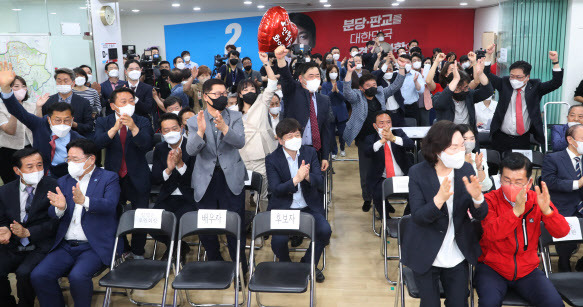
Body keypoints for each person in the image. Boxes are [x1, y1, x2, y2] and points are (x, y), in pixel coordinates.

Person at [403, 120, 488, 307]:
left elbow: (480, 215)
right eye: (453, 147)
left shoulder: (465, 169)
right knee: (430, 303)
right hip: (426, 250)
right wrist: (438, 199)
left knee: (459, 303)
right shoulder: (417, 172)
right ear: (437, 150)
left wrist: (477, 198)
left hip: (457, 250)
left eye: (462, 146)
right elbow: (418, 216)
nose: (460, 152)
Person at [31, 139, 120, 307]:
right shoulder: (63, 181)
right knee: (39, 275)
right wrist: (60, 208)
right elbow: (52, 212)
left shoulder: (108, 178)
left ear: (91, 159)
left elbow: (110, 205)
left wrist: (84, 200)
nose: (71, 163)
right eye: (68, 159)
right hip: (66, 245)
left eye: (75, 159)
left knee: (77, 277)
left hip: (93, 246)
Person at [476, 152, 569, 307]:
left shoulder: (536, 199)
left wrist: (547, 212)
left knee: (554, 303)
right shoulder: (490, 200)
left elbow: (562, 232)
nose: (512, 186)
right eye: (507, 180)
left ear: (529, 182)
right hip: (492, 268)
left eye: (518, 181)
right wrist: (516, 212)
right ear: (500, 178)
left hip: (527, 270)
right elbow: (491, 234)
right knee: (488, 303)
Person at [185, 78, 248, 274]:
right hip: (206, 179)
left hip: (231, 178)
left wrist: (224, 128)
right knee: (207, 225)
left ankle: (240, 267)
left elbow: (240, 143)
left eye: (224, 93)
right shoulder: (194, 121)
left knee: (234, 225)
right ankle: (215, 262)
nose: (222, 97)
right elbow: (191, 151)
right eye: (217, 94)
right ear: (205, 96)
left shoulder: (235, 116)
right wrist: (201, 132)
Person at [265, 118, 331, 282]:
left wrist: (307, 176)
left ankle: (308, 264)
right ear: (280, 140)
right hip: (284, 208)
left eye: (297, 134)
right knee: (278, 242)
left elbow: (320, 181)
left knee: (325, 231)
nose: (295, 139)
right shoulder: (272, 159)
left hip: (309, 206)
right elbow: (275, 189)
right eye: (289, 136)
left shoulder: (309, 152)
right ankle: (287, 265)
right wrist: (295, 180)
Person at [93, 87, 153, 259]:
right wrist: (114, 129)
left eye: (131, 101)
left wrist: (133, 127)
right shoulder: (104, 122)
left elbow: (147, 144)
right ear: (113, 106)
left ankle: (138, 250)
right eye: (123, 101)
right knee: (113, 214)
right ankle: (122, 248)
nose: (129, 104)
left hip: (138, 175)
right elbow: (97, 144)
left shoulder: (142, 121)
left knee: (140, 214)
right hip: (113, 176)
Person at [0, 62, 84, 178]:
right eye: (57, 120)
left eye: (66, 120)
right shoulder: (40, 125)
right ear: (49, 119)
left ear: (72, 120)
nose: (62, 124)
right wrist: (5, 88)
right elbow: (18, 112)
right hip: (45, 174)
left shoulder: (79, 139)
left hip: (68, 175)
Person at [343, 59, 406, 212]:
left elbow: (396, 85)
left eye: (374, 85)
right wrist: (349, 72)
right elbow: (346, 92)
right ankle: (367, 198)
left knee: (381, 169)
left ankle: (382, 200)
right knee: (366, 170)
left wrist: (402, 68)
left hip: (382, 137)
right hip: (364, 138)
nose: (372, 88)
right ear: (361, 88)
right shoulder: (357, 96)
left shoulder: (380, 93)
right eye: (368, 86)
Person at [0, 148, 58, 307]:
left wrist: (28, 232)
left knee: (23, 273)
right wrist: (4, 228)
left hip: (40, 244)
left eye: (40, 165)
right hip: (12, 243)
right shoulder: (5, 191)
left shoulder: (54, 186)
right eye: (30, 167)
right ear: (17, 170)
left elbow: (56, 222)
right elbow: (2, 218)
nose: (37, 170)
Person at [484, 44, 564, 152]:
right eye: (512, 76)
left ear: (527, 77)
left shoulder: (535, 87)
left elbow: (556, 83)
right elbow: (487, 74)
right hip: (500, 136)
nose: (514, 79)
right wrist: (488, 55)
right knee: (497, 165)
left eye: (519, 77)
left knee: (520, 167)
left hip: (522, 138)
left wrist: (555, 62)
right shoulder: (504, 83)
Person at [275, 46, 331, 171]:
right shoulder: (293, 91)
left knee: (314, 185)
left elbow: (326, 131)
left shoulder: (324, 100)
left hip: (315, 151)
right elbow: (286, 77)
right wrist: (281, 59)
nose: (315, 79)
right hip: (293, 149)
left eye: (317, 76)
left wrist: (325, 156)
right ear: (301, 78)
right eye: (311, 76)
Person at [237, 52, 279, 213]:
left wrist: (266, 63)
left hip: (262, 155)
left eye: (252, 88)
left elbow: (273, 82)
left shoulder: (262, 101)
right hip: (242, 157)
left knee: (262, 193)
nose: (249, 92)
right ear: (240, 94)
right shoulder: (234, 111)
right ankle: (244, 223)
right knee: (243, 193)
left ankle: (263, 224)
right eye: (245, 90)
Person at [151, 113, 196, 259]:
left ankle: (173, 253)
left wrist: (181, 165)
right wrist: (169, 169)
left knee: (175, 222)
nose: (171, 132)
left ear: (182, 128)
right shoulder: (159, 148)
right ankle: (178, 246)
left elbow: (197, 179)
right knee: (152, 222)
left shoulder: (193, 146)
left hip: (189, 197)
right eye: (166, 130)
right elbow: (156, 178)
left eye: (174, 128)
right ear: (161, 132)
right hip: (167, 196)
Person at [542, 124, 583, 272]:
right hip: (563, 205)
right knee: (566, 226)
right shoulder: (553, 158)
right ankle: (563, 261)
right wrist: (577, 183)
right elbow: (549, 181)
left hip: (581, 204)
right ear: (570, 140)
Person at [364, 111, 414, 218]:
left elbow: (410, 144)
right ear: (375, 126)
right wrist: (381, 142)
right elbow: (367, 152)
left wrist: (393, 139)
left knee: (417, 193)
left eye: (388, 122)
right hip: (382, 178)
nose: (385, 126)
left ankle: (405, 220)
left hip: (404, 176)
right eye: (381, 123)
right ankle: (386, 220)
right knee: (377, 194)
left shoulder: (398, 133)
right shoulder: (370, 138)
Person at [434, 59, 493, 148]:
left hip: (468, 139)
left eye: (466, 87)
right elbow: (439, 104)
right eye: (460, 88)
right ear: (451, 86)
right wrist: (455, 79)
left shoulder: (469, 95)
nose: (465, 90)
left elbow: (488, 91)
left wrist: (480, 74)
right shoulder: (440, 96)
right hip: (448, 140)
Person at [0, 76, 35, 183]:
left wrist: (38, 108)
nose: (21, 89)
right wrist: (14, 110)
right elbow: (10, 130)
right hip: (8, 151)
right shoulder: (1, 107)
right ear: (7, 89)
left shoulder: (32, 106)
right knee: (11, 183)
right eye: (16, 86)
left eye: (23, 86)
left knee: (31, 181)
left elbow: (38, 127)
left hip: (29, 149)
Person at [40, 68, 94, 137]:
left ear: (73, 83)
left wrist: (74, 124)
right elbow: (43, 123)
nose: (62, 84)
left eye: (66, 81)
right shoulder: (48, 101)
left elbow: (89, 126)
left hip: (76, 140)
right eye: (59, 81)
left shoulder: (83, 102)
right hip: (53, 140)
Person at [321, 65, 349, 158]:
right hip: (330, 112)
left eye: (335, 71)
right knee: (331, 134)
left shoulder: (341, 83)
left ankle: (342, 148)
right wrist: (332, 91)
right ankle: (334, 151)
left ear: (338, 73)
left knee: (342, 133)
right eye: (331, 72)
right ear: (328, 73)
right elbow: (324, 98)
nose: (333, 73)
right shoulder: (325, 85)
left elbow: (345, 98)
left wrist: (337, 91)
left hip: (341, 112)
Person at [459, 124, 493, 192]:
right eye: (465, 139)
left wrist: (479, 168)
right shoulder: (451, 159)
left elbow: (486, 187)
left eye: (472, 139)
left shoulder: (478, 158)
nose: (469, 142)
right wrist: (466, 166)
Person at [397, 54, 425, 124]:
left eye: (408, 62)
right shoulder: (395, 74)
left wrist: (415, 82)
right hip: (398, 107)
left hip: (412, 107)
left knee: (414, 129)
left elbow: (421, 90)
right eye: (404, 62)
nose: (406, 64)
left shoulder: (416, 74)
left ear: (411, 63)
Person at [124, 59, 155, 124]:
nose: (134, 71)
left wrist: (133, 98)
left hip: (142, 122)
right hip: (125, 121)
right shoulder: (121, 87)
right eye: (131, 69)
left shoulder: (147, 88)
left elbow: (148, 109)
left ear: (141, 70)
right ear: (125, 72)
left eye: (137, 69)